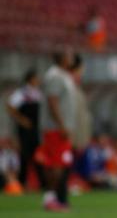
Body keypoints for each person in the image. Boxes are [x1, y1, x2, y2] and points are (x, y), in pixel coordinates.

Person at [36, 49, 77, 212]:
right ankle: (49, 199)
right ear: (62, 58)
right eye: (69, 55)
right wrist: (61, 125)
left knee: (60, 163)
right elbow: (52, 102)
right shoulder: (54, 76)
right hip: (55, 129)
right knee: (55, 164)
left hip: (61, 128)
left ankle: (56, 199)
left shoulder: (63, 75)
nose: (72, 58)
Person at [6, 68, 45, 190]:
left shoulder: (38, 93)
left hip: (36, 129)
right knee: (24, 156)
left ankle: (43, 183)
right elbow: (10, 106)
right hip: (25, 131)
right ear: (30, 79)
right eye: (36, 78)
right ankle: (22, 183)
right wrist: (22, 120)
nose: (38, 80)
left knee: (38, 155)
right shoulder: (22, 93)